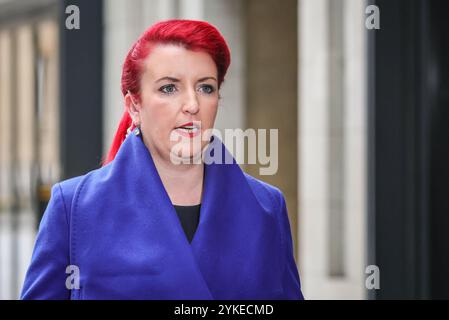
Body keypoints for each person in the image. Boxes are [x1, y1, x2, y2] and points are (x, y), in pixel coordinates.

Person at [21, 19, 304, 300]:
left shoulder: (268, 208)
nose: (192, 105)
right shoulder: (73, 209)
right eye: (169, 88)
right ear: (134, 105)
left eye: (206, 87)